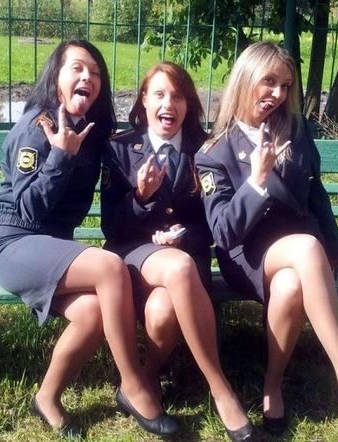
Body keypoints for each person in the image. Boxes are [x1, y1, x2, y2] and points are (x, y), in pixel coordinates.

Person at [195, 41, 338, 436]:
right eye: (269, 81)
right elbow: (223, 232)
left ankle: (272, 385)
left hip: (295, 252)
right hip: (247, 254)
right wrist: (257, 180)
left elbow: (315, 190)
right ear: (245, 80)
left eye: (286, 86)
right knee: (308, 247)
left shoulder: (294, 128)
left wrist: (335, 245)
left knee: (291, 285)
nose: (277, 94)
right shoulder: (213, 152)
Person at [0, 40, 178, 438]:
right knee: (109, 266)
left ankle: (47, 398)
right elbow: (27, 211)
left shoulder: (90, 132)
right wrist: (60, 156)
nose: (87, 77)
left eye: (95, 72)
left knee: (91, 312)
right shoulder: (37, 127)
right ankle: (133, 385)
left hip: (53, 250)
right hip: (15, 245)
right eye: (76, 68)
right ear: (56, 76)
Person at [100, 61, 253, 441]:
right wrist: (140, 197)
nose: (169, 104)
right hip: (135, 255)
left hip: (186, 257)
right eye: (159, 94)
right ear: (144, 101)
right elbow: (112, 228)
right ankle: (221, 389)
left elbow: (216, 224)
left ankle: (144, 377)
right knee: (179, 267)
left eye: (179, 96)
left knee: (163, 309)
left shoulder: (208, 149)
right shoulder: (120, 149)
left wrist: (183, 236)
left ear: (189, 105)